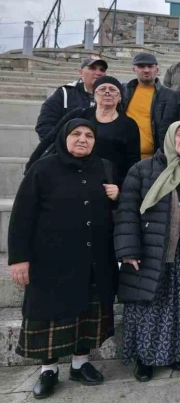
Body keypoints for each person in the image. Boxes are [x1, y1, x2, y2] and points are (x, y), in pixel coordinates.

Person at [9, 119, 119, 399]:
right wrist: (19, 259)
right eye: (76, 134)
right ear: (63, 137)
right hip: (50, 262)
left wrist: (116, 195)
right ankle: (48, 370)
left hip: (94, 259)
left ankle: (80, 364)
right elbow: (22, 216)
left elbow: (114, 211)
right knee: (50, 315)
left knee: (87, 313)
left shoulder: (103, 167)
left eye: (89, 135)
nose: (83, 139)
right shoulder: (42, 169)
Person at [115, 121, 180, 381]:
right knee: (149, 306)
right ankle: (145, 359)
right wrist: (128, 249)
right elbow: (127, 210)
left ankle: (178, 354)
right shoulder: (143, 169)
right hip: (152, 250)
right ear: (169, 137)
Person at [27, 76, 141, 185]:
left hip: (107, 182)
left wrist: (121, 187)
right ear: (94, 95)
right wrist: (31, 165)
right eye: (102, 89)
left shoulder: (128, 124)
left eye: (112, 89)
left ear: (120, 97)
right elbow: (50, 139)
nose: (107, 92)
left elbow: (132, 160)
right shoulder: (79, 114)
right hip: (72, 176)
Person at [35, 55, 106, 141]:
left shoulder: (113, 97)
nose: (98, 73)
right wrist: (61, 146)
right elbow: (45, 125)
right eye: (92, 68)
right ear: (81, 72)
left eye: (102, 70)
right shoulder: (64, 93)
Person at [125, 52, 178, 159]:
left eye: (150, 66)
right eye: (141, 66)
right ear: (134, 70)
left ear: (157, 70)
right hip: (125, 155)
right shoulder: (124, 91)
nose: (146, 70)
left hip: (154, 158)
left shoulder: (169, 95)